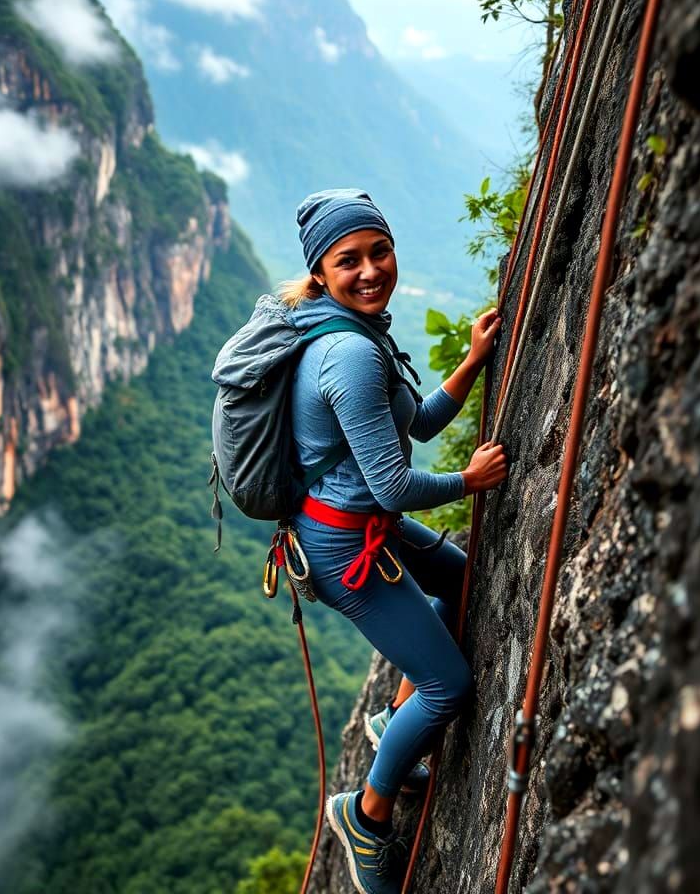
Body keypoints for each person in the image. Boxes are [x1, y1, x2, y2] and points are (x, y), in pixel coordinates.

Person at [281, 188, 508, 894]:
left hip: (363, 526)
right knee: (450, 686)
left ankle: (391, 718)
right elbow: (391, 485)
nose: (371, 269)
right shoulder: (348, 353)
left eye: (379, 251)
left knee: (460, 580)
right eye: (348, 260)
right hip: (344, 548)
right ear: (320, 274)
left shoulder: (359, 331)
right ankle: (365, 815)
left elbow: (421, 424)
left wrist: (471, 361)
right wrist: (468, 482)